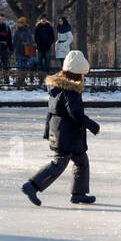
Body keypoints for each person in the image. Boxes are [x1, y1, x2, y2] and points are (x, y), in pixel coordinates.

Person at [21, 50, 100, 206]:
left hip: (61, 132)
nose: (84, 77)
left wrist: (47, 132)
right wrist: (93, 126)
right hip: (67, 134)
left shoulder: (57, 87)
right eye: (83, 74)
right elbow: (75, 114)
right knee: (59, 163)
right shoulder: (70, 90)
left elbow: (50, 112)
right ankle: (32, 185)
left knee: (81, 161)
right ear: (77, 74)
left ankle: (79, 193)